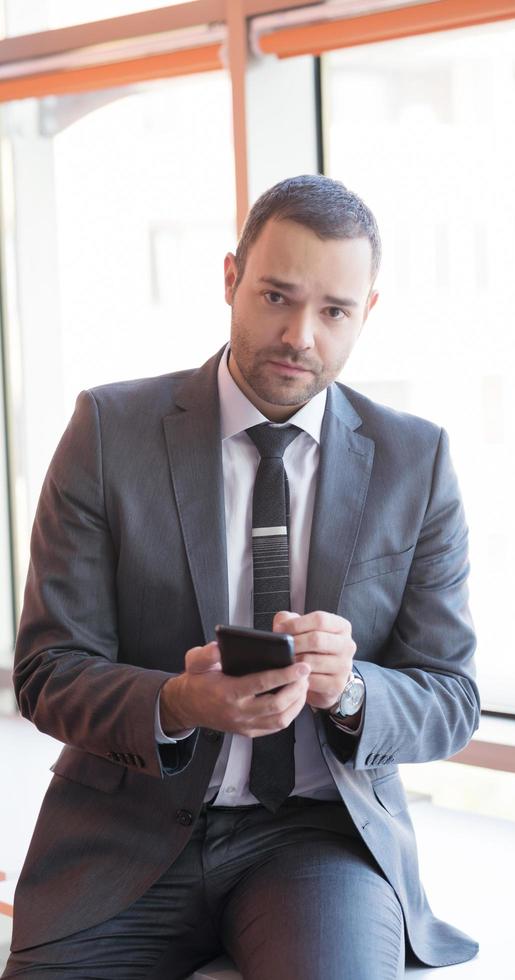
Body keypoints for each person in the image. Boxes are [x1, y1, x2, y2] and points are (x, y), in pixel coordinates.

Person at [4, 174, 480, 980]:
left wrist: (353, 689)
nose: (300, 335)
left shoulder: (416, 460)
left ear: (367, 313)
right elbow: (48, 671)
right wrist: (175, 702)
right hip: (125, 834)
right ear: (230, 279)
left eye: (333, 311)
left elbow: (451, 698)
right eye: (275, 296)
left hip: (317, 841)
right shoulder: (107, 431)